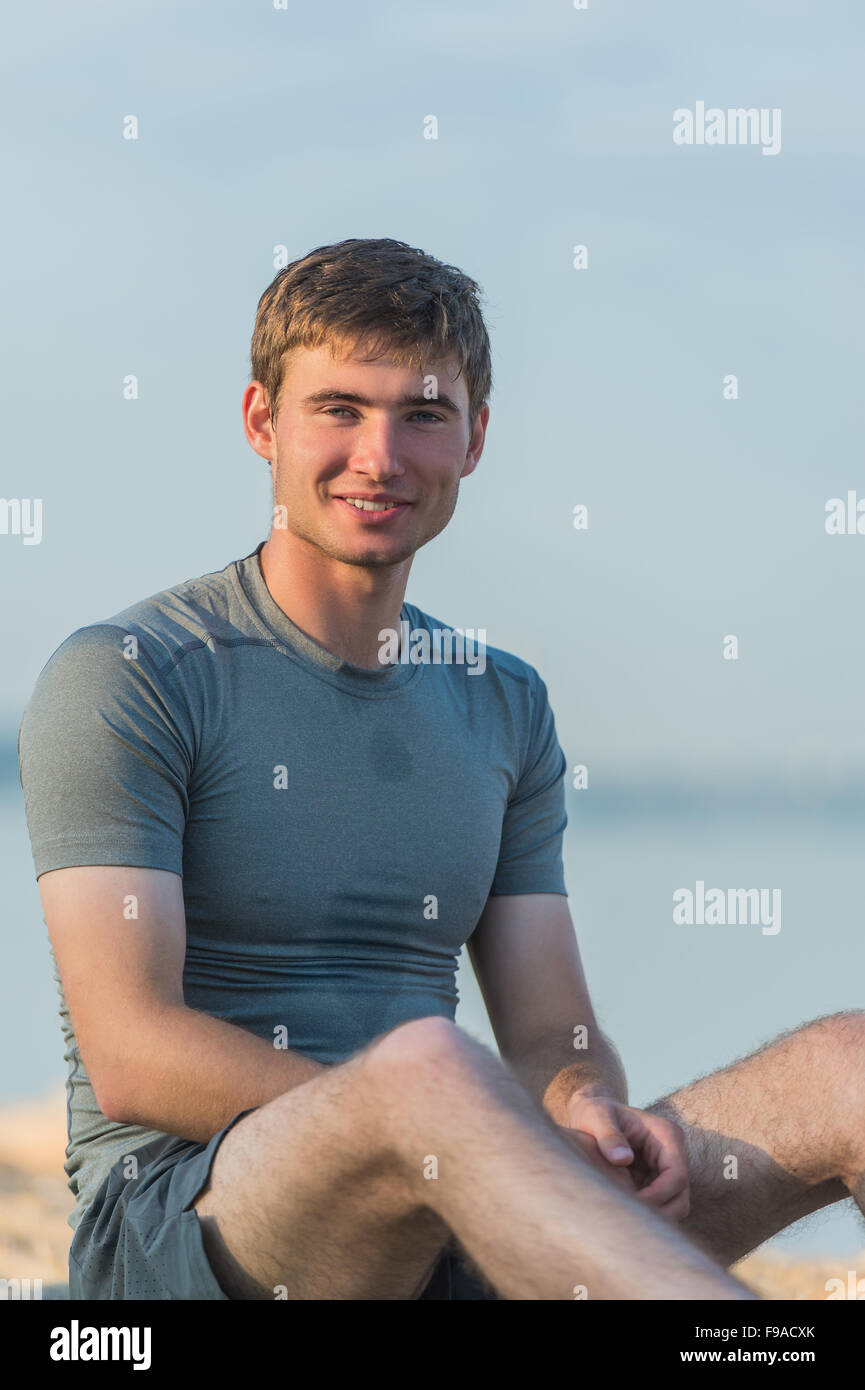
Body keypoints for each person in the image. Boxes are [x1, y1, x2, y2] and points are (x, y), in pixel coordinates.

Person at [17, 239, 861, 1301]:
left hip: (465, 1199)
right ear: (261, 423)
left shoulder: (500, 701)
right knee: (427, 1062)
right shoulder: (133, 675)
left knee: (850, 1065)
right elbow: (131, 1049)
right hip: (189, 1225)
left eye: (420, 413)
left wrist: (581, 1104)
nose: (379, 454)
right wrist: (430, 1124)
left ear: (473, 440)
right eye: (337, 409)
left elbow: (552, 1032)